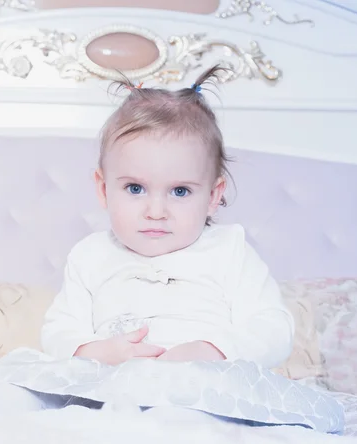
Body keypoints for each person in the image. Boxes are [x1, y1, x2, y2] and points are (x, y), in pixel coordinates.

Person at [41, 66, 294, 369]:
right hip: (113, 390)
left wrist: (215, 350)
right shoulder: (90, 257)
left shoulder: (230, 251)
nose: (156, 212)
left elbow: (273, 328)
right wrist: (97, 352)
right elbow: (58, 331)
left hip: (208, 390)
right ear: (104, 189)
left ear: (213, 196)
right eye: (135, 188)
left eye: (180, 192)